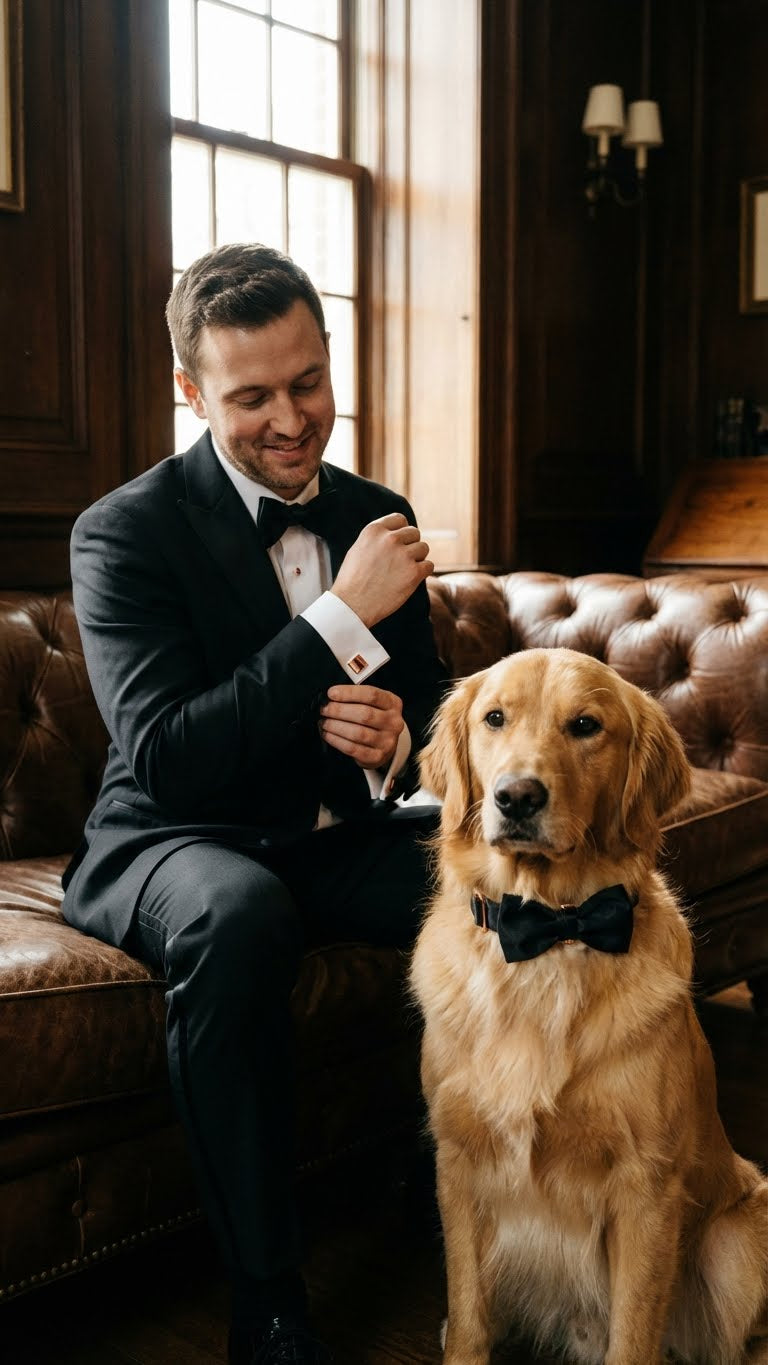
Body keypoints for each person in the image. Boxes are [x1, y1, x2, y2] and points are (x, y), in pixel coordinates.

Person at [61, 242, 446, 1364]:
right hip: (174, 842)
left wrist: (399, 746)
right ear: (191, 392)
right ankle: (268, 1302)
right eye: (252, 396)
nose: (291, 419)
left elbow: (427, 708)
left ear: (329, 361)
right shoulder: (122, 531)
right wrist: (336, 619)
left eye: (308, 382)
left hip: (331, 832)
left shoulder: (377, 511)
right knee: (239, 917)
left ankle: (449, 1176)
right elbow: (169, 758)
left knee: (502, 885)